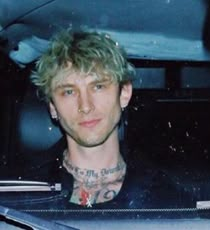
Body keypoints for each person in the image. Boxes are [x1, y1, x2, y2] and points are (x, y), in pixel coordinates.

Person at [28, 29, 195, 210]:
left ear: (124, 93)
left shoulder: (167, 195)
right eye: (69, 92)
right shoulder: (19, 189)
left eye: (98, 86)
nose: (85, 106)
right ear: (53, 106)